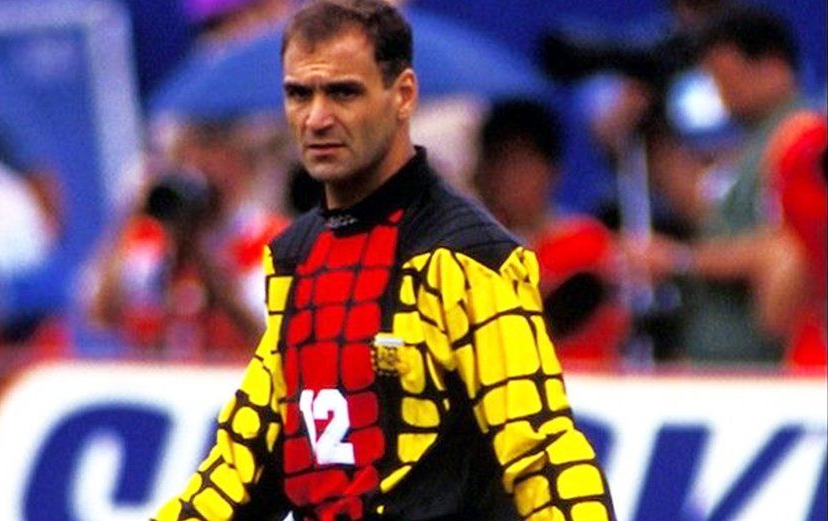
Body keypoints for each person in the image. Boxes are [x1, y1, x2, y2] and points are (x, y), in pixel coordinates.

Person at [154, 1, 614, 520]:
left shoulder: (466, 256)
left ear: (403, 96)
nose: (317, 117)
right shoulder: (294, 258)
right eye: (299, 94)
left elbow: (541, 452)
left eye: (343, 92)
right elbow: (242, 464)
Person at [626, 6, 824, 364]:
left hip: (765, 364)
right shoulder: (757, 141)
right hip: (724, 361)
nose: (723, 96)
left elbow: (787, 248)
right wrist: (649, 133)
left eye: (729, 80)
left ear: (772, 67)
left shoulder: (801, 139)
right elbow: (718, 221)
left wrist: (679, 259)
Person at [87, 119, 286, 358]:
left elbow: (265, 334)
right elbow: (101, 314)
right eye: (188, 155)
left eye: (213, 152)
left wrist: (199, 253)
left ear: (242, 165)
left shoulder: (271, 239)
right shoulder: (153, 237)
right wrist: (131, 214)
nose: (200, 166)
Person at [473, 97, 630, 365]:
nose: (509, 179)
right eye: (499, 164)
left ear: (551, 170)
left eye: (522, 164)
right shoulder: (467, 248)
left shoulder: (587, 242)